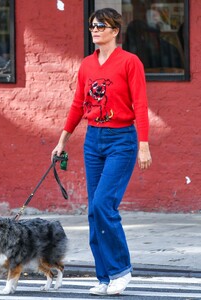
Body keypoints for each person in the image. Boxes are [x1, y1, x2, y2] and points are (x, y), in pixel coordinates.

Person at [51, 7, 152, 296]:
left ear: (115, 31)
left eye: (101, 26)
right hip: (93, 140)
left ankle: (121, 270)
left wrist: (143, 145)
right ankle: (105, 276)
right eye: (92, 25)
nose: (94, 30)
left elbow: (140, 105)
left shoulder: (130, 62)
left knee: (102, 205)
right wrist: (62, 141)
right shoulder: (86, 65)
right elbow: (77, 105)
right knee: (94, 213)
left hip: (122, 140)